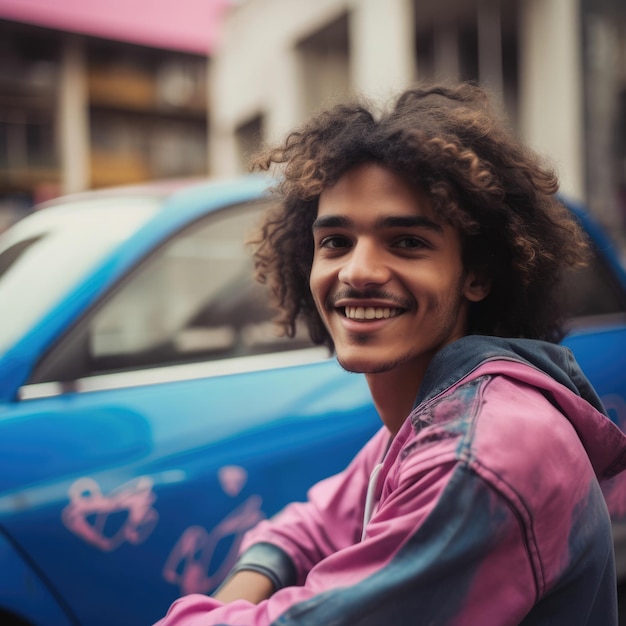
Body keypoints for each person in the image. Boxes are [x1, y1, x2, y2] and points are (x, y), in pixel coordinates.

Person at [156, 83, 626, 625]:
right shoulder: (440, 408)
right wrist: (247, 584)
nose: (357, 272)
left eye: (406, 242)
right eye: (335, 242)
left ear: (476, 273)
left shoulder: (478, 454)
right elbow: (311, 526)